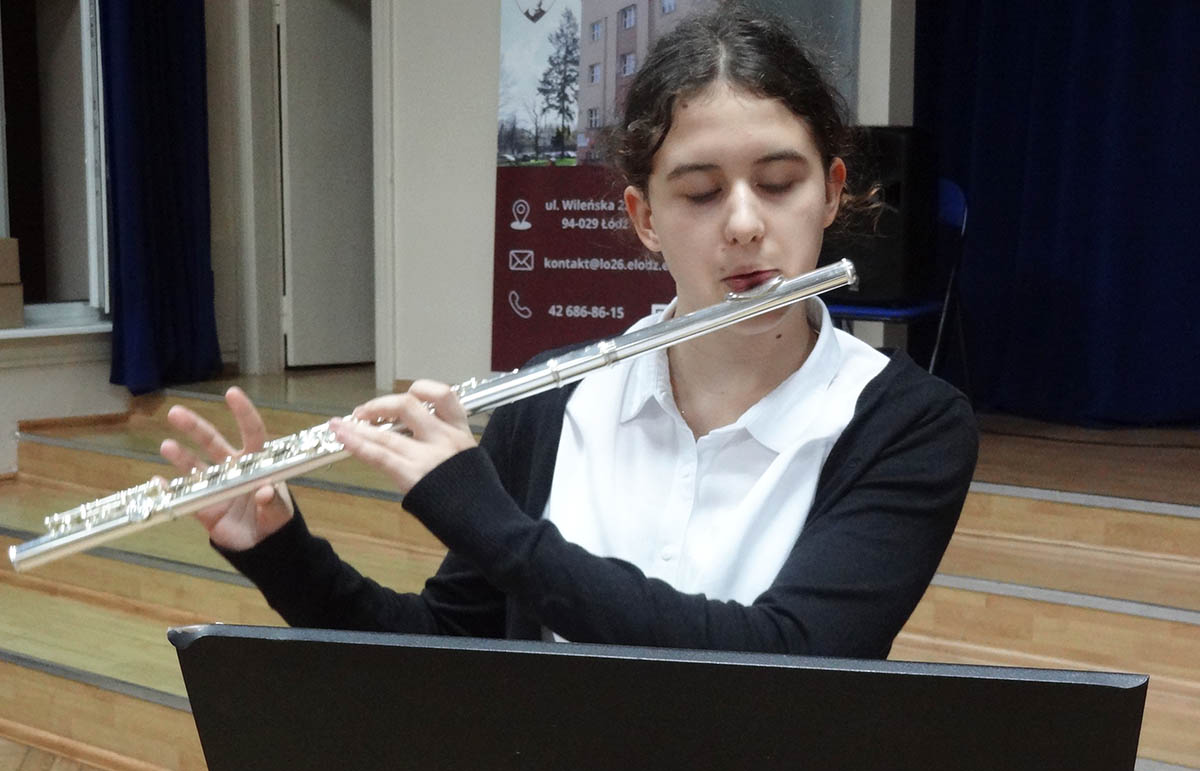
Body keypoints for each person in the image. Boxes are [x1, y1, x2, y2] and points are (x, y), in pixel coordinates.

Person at [162, 3, 977, 659]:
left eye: (778, 183)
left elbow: (788, 659)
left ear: (831, 193)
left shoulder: (908, 423)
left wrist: (487, 521)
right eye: (699, 193)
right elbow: (449, 649)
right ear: (644, 217)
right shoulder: (554, 398)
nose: (743, 224)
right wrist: (281, 552)